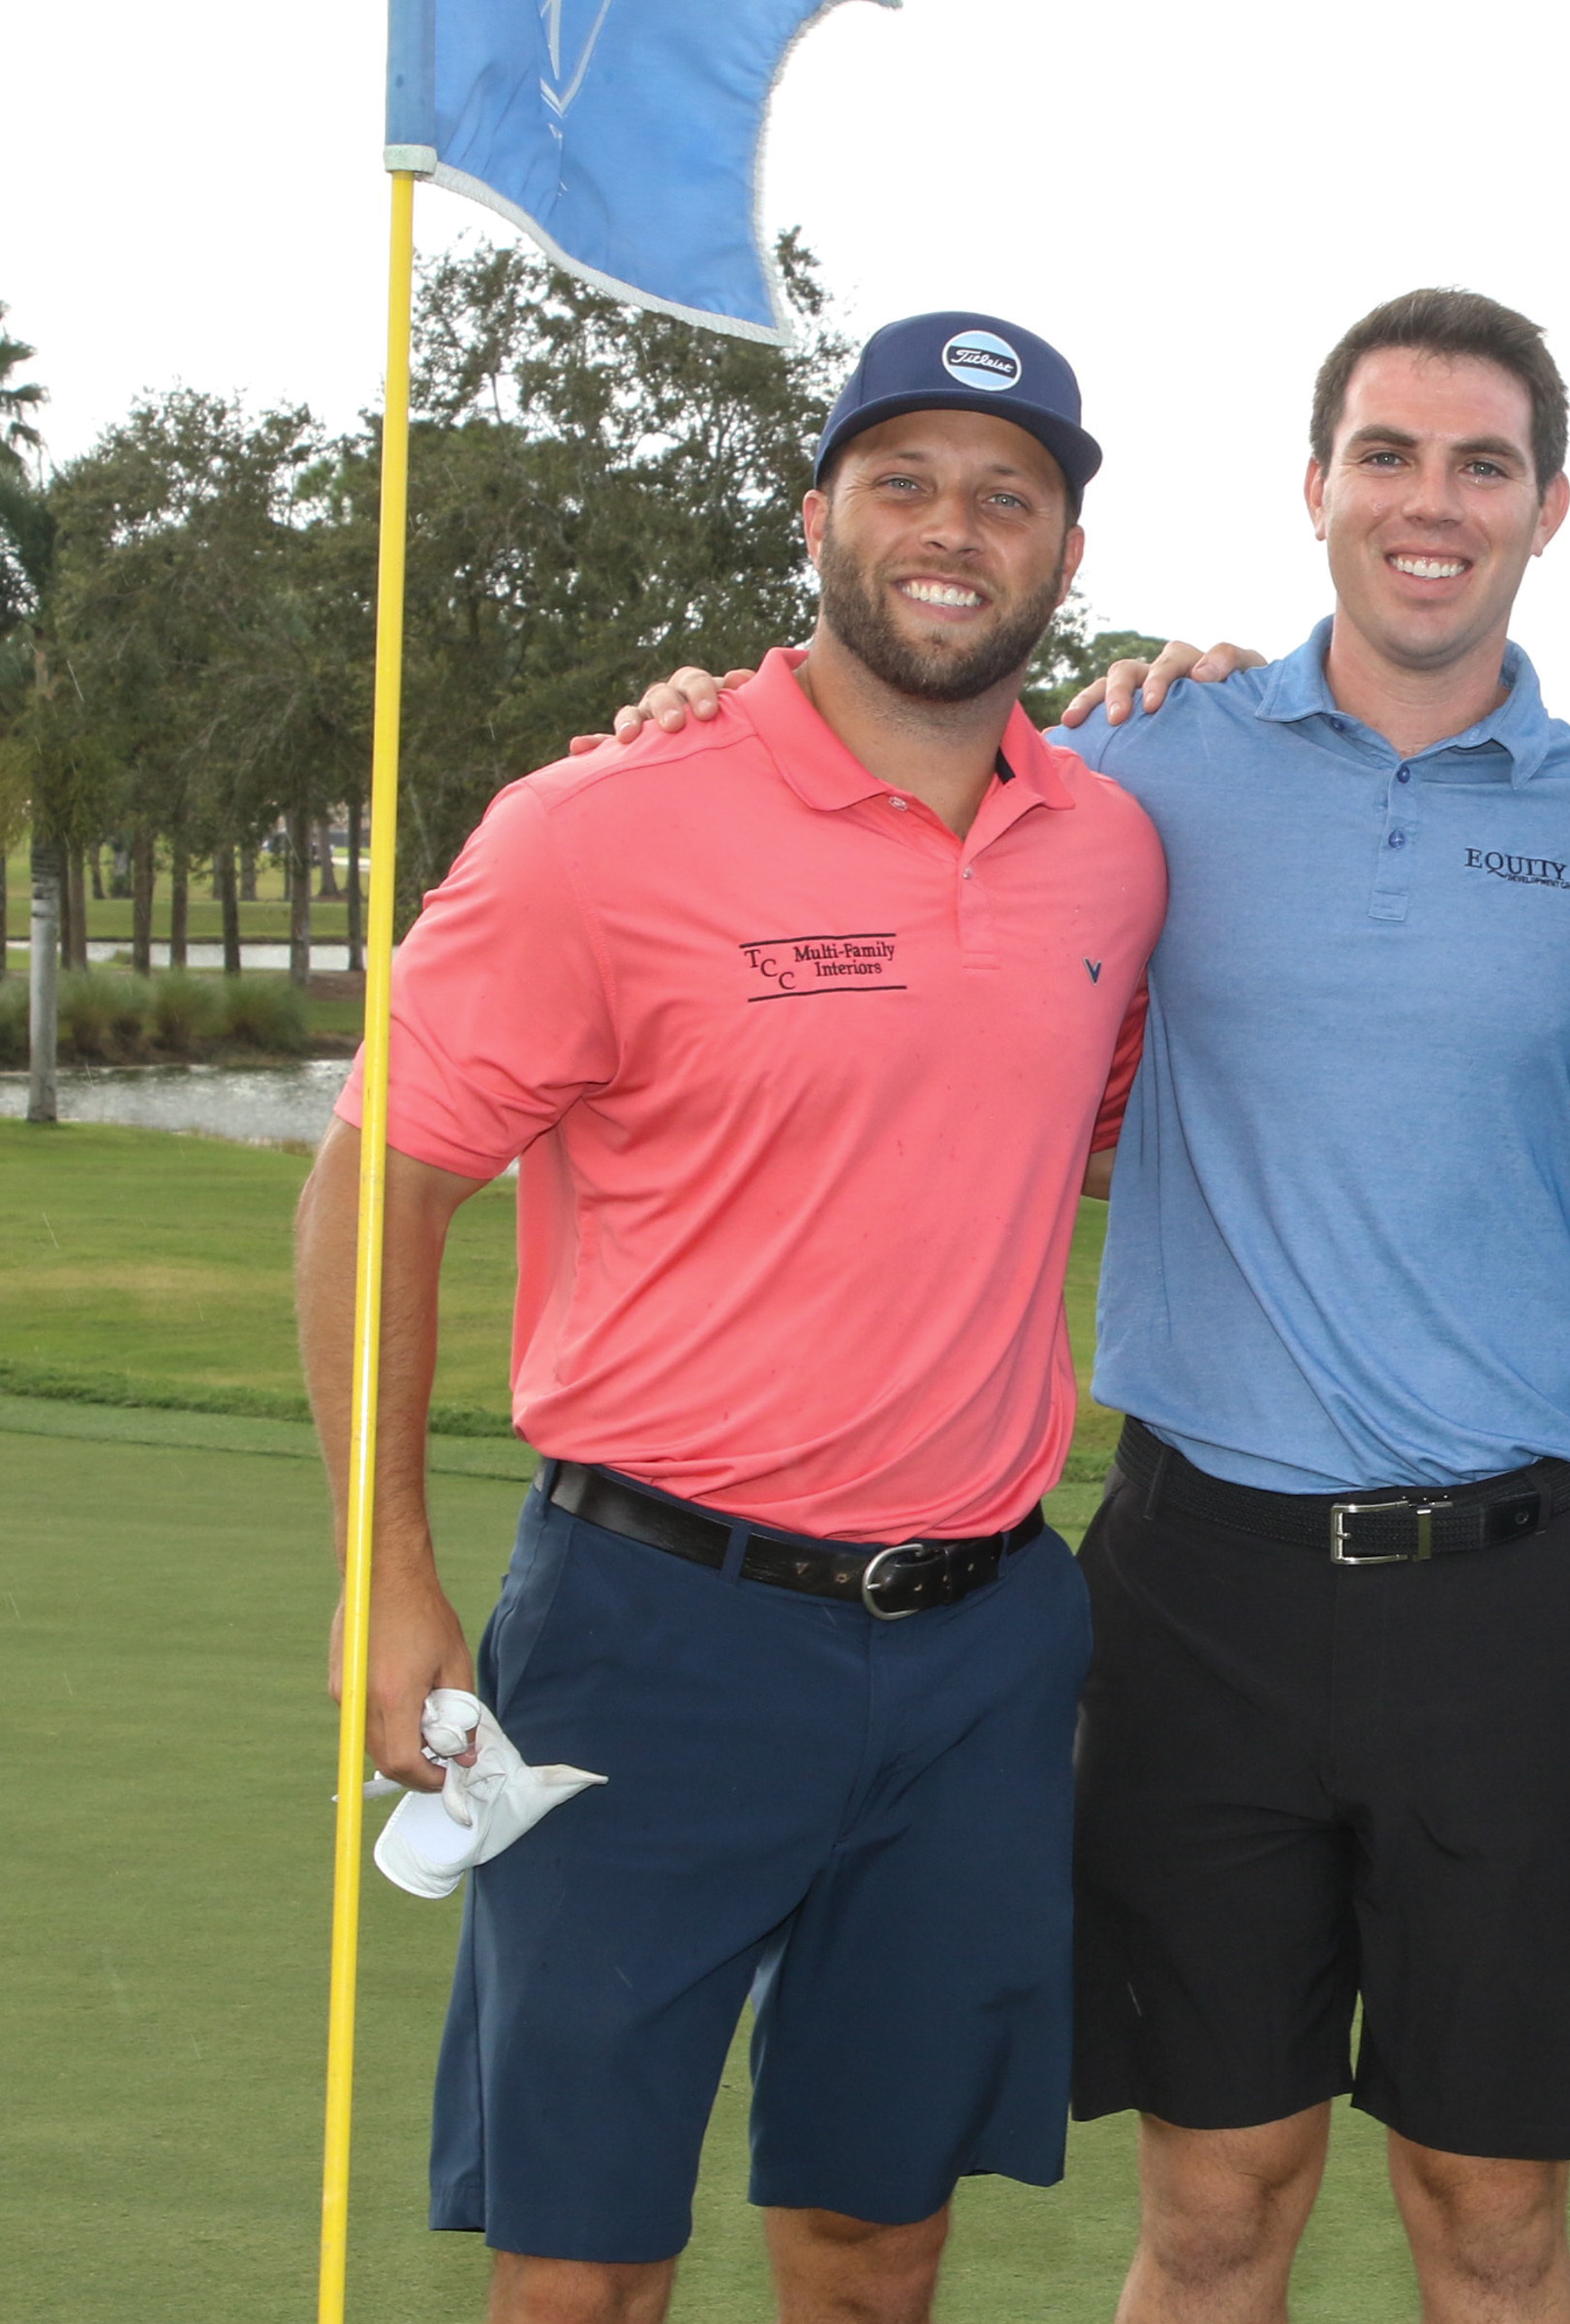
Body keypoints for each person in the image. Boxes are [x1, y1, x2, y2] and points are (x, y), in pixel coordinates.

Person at [594, 289, 1570, 2324]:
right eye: (1387, 455)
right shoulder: (1132, 761)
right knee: (1215, 2218)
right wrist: (689, 721)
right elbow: (865, 748)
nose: (1431, 502)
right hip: (1205, 1594)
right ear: (1316, 487)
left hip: (1520, 1606)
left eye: (1482, 465)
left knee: (1496, 2226)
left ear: (1548, 507)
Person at [296, 313, 1163, 2324]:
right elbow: (379, 1180)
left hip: (980, 1647)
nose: (952, 529)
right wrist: (385, 1571)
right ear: (816, 517)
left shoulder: (1113, 843)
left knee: (877, 2245)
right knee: (581, 2267)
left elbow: (1103, 1139)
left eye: (1007, 495)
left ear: (1064, 551)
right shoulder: (600, 824)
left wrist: (1198, 688)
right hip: (652, 1634)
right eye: (903, 482)